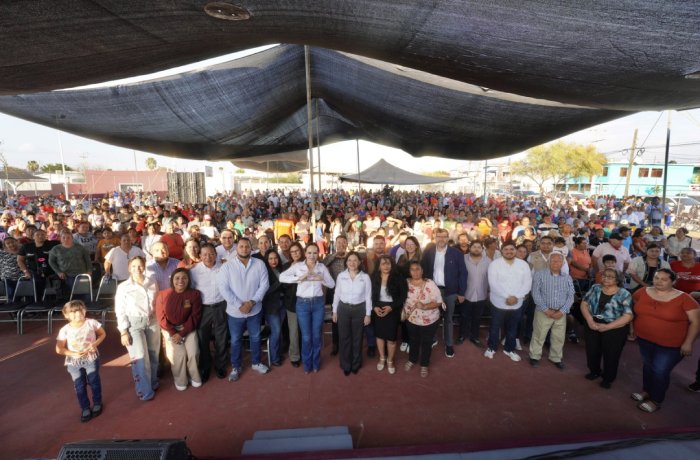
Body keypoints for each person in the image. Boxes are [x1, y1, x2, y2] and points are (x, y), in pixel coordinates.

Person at [631, 269, 700, 412]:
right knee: (648, 366)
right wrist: (632, 327)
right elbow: (634, 306)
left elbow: (696, 322)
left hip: (671, 344)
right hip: (644, 338)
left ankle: (656, 400)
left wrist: (688, 343)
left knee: (660, 370)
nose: (659, 281)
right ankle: (646, 391)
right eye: (657, 278)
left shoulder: (685, 298)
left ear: (673, 281)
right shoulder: (642, 292)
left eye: (664, 279)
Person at [217, 238, 270, 381]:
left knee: (256, 337)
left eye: (247, 246)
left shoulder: (259, 264)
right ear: (236, 248)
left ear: (251, 248)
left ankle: (256, 362)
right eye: (241, 246)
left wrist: (252, 302)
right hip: (235, 312)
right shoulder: (227, 267)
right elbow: (223, 288)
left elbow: (264, 285)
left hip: (255, 310)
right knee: (235, 340)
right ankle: (236, 366)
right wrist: (239, 305)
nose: (244, 249)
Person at [280, 242, 335, 373]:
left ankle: (316, 363)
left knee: (316, 336)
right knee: (306, 337)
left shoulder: (322, 267)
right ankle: (307, 364)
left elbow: (332, 284)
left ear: (318, 254)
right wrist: (299, 278)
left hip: (318, 304)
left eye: (315, 253)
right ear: (305, 253)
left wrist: (321, 278)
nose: (312, 255)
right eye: (309, 252)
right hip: (302, 304)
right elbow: (282, 277)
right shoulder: (298, 266)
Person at [114, 256, 160, 400]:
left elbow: (157, 301)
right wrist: (123, 331)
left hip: (152, 321)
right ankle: (145, 391)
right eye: (133, 266)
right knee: (140, 357)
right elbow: (119, 310)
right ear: (129, 268)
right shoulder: (123, 287)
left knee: (153, 354)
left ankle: (153, 382)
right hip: (134, 324)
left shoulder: (152, 281)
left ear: (144, 266)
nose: (137, 269)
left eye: (140, 265)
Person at [579, 268, 634, 389]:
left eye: (610, 277)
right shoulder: (595, 288)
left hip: (615, 327)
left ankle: (608, 378)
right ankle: (594, 371)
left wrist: (607, 327)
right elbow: (584, 304)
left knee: (611, 354)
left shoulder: (624, 294)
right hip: (593, 323)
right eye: (604, 276)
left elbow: (628, 316)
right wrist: (589, 320)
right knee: (592, 350)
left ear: (618, 280)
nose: (606, 278)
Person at [55, 300, 106, 423]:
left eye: (80, 310)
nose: (78, 314)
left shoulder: (91, 323)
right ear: (66, 315)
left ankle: (97, 403)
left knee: (94, 381)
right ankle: (85, 407)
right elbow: (59, 349)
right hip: (74, 362)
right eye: (73, 312)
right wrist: (72, 353)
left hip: (91, 358)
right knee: (79, 385)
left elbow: (102, 334)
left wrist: (95, 344)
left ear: (85, 310)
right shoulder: (64, 330)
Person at [421, 227, 467, 358]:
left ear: (448, 238)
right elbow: (423, 270)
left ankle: (449, 344)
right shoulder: (428, 252)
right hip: (433, 291)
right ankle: (433, 338)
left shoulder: (456, 253)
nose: (441, 239)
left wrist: (461, 292)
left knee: (448, 319)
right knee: (432, 317)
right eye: (439, 236)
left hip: (450, 292)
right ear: (435, 238)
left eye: (444, 236)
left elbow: (463, 273)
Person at [156, 268, 203, 390]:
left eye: (184, 278)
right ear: (172, 280)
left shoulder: (194, 294)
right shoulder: (163, 295)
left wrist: (182, 333)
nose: (180, 281)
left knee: (193, 353)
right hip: (170, 329)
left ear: (189, 280)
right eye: (177, 278)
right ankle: (181, 380)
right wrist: (173, 333)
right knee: (179, 355)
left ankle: (194, 376)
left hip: (188, 328)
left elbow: (195, 316)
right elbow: (161, 317)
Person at [485, 241, 532, 361]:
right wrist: (507, 297)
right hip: (498, 302)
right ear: (501, 251)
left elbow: (527, 283)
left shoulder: (523, 265)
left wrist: (516, 297)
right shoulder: (494, 264)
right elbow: (493, 284)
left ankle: (509, 349)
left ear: (515, 251)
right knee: (495, 326)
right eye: (506, 249)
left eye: (511, 249)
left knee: (513, 327)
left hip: (517, 302)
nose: (509, 251)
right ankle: (491, 347)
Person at [528, 252, 575, 370]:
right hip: (543, 312)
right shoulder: (539, 274)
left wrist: (562, 311)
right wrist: (546, 309)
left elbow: (571, 296)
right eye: (553, 260)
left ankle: (556, 358)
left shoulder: (567, 277)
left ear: (563, 263)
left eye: (558, 261)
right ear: (548, 262)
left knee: (558, 337)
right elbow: (535, 293)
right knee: (539, 335)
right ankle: (534, 356)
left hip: (560, 313)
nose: (555, 263)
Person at [190, 244, 228, 380]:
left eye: (211, 254)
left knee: (221, 338)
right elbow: (192, 290)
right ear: (200, 256)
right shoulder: (194, 271)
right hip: (203, 308)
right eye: (205, 254)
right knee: (203, 339)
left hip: (221, 306)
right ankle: (205, 367)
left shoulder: (224, 268)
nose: (208, 257)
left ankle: (220, 365)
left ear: (216, 255)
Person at [332, 251, 372, 375]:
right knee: (344, 338)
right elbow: (337, 294)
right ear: (346, 262)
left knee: (357, 338)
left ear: (359, 262)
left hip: (359, 309)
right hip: (343, 309)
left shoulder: (365, 277)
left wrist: (368, 314)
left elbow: (368, 296)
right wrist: (334, 311)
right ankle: (345, 364)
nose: (352, 263)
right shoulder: (341, 276)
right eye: (349, 260)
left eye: (355, 260)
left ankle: (356, 364)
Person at [402, 261, 443, 378]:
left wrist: (424, 306)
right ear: (409, 271)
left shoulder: (430, 283)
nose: (415, 272)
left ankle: (424, 364)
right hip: (411, 319)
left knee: (426, 342)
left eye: (417, 269)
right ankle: (412, 359)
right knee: (413, 340)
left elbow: (439, 302)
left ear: (422, 270)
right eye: (412, 269)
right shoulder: (406, 283)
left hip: (429, 320)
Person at [370, 255, 407, 374]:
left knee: (391, 338)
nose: (386, 266)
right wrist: (374, 306)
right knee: (379, 336)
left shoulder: (398, 277)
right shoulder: (373, 277)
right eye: (383, 264)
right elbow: (369, 294)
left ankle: (390, 360)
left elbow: (403, 296)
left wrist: (391, 307)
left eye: (388, 264)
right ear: (379, 266)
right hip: (377, 308)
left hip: (392, 308)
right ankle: (382, 358)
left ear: (392, 265)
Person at [459, 239, 490, 347]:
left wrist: (489, 291)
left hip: (481, 293)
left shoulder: (488, 261)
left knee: (477, 317)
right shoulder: (463, 259)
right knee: (464, 316)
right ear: (470, 248)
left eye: (479, 247)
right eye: (474, 247)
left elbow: (490, 277)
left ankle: (474, 337)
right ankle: (462, 335)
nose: (476, 249)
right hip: (466, 294)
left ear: (482, 249)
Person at [281, 242, 305, 367]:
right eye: (292, 252)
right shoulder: (286, 266)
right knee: (294, 332)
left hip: (306, 303)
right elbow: (283, 285)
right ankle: (295, 356)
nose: (295, 253)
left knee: (306, 331)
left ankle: (306, 354)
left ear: (301, 251)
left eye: (297, 251)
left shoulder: (307, 264)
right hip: (291, 304)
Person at [17, 228, 58, 298]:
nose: (40, 236)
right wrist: (26, 271)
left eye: (42, 234)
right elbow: (20, 260)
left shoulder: (53, 244)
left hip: (51, 272)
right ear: (33, 237)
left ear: (46, 236)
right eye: (38, 235)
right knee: (36, 291)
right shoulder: (26, 246)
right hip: (34, 273)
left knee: (52, 292)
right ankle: (37, 302)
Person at [48, 229, 92, 296]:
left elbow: (87, 260)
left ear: (72, 238)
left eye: (68, 237)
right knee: (71, 294)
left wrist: (89, 270)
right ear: (60, 239)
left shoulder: (80, 247)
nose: (66, 239)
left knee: (83, 293)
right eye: (63, 238)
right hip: (66, 275)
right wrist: (58, 272)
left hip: (81, 273)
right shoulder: (55, 249)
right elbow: (51, 261)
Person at [262, 249, 285, 367]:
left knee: (279, 331)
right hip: (271, 306)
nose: (273, 261)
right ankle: (275, 358)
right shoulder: (264, 272)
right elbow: (265, 291)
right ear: (267, 260)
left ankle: (278, 353)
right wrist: (280, 282)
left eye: (275, 258)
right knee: (276, 331)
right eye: (270, 258)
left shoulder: (281, 269)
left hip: (282, 304)